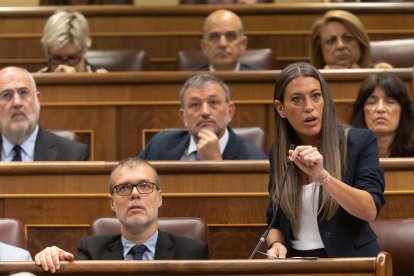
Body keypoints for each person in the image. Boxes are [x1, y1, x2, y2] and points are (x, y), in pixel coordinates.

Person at [265, 62, 384, 258]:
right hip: (296, 264)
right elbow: (274, 221)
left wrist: (322, 176)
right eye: (297, 99)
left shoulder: (359, 142)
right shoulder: (279, 153)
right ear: (281, 108)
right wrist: (276, 243)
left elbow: (369, 209)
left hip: (351, 264)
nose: (309, 107)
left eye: (315, 96)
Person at [35, 158, 209, 272]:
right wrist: (55, 259)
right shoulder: (92, 251)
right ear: (112, 203)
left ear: (159, 198)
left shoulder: (192, 252)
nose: (135, 194)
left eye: (144, 185)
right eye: (124, 188)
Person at [139, 74, 266, 160]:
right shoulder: (160, 145)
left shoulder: (253, 158)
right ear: (183, 116)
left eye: (214, 103)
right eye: (195, 105)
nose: (205, 112)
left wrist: (216, 164)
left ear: (230, 111)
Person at [0, 66, 90, 161]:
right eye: (6, 95)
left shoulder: (75, 155)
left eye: (23, 93)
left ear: (38, 100)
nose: (17, 103)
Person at [350, 72, 414, 157]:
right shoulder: (346, 152)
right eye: (371, 102)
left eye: (389, 102)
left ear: (402, 111)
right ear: (362, 111)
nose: (380, 109)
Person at [39, 10, 106, 73]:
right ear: (47, 53)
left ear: (85, 50)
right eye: (57, 59)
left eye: (72, 58)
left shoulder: (102, 81)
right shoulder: (35, 82)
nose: (64, 67)